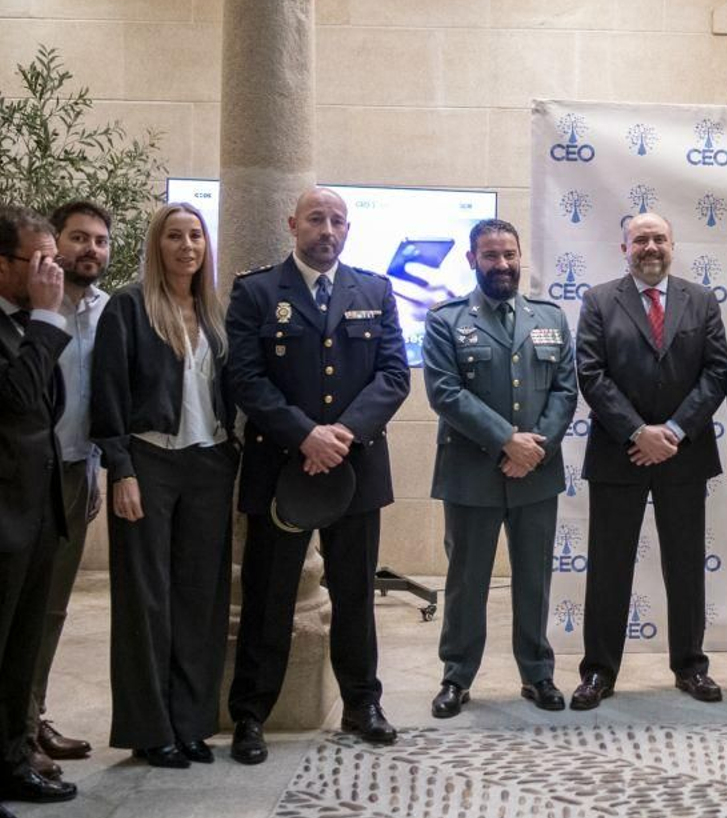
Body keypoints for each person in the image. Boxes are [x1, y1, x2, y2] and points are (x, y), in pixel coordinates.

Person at [226, 187, 410, 762]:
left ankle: (362, 704)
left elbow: (394, 374)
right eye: (315, 219)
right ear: (292, 225)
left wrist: (342, 435)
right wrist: (305, 434)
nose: (326, 230)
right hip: (282, 468)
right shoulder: (256, 291)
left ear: (348, 230)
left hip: (353, 469)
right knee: (269, 595)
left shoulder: (374, 290)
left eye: (336, 221)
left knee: (355, 591)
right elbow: (246, 378)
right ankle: (251, 715)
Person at [91, 204, 238, 767]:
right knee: (146, 601)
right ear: (158, 245)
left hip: (208, 465)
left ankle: (193, 724)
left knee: (201, 600)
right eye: (174, 236)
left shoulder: (213, 311)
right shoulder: (130, 307)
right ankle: (151, 730)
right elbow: (107, 395)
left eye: (195, 236)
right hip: (149, 463)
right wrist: (120, 467)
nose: (186, 246)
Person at [571, 212, 727, 709]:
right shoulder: (598, 300)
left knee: (685, 567)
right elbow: (591, 375)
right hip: (621, 455)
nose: (651, 247)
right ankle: (598, 671)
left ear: (673, 245)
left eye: (660, 237)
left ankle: (690, 666)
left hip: (684, 455)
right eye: (641, 239)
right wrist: (639, 432)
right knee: (609, 567)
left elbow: (716, 371)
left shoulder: (701, 300)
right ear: (624, 249)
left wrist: (674, 431)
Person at [423, 219, 576, 717]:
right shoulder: (446, 320)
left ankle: (538, 674)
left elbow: (565, 391)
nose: (502, 264)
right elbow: (445, 393)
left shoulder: (550, 317)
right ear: (471, 260)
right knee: (467, 581)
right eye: (490, 255)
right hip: (471, 474)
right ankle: (457, 677)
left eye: (509, 254)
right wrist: (506, 441)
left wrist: (535, 447)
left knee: (534, 579)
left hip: (536, 473)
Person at [26, 201, 110, 778]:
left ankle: (31, 717)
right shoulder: (27, 312)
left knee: (52, 606)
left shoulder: (110, 310)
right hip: (22, 472)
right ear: (53, 244)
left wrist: (100, 465)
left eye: (101, 241)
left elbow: (102, 398)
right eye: (79, 238)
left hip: (77, 471)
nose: (91, 250)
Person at [0, 206, 76, 818]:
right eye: (40, 261)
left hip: (33, 513)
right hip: (2, 514)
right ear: (3, 265)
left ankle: (9, 762)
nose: (52, 272)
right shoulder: (34, 324)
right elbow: (20, 400)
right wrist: (50, 319)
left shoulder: (25, 323)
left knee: (18, 653)